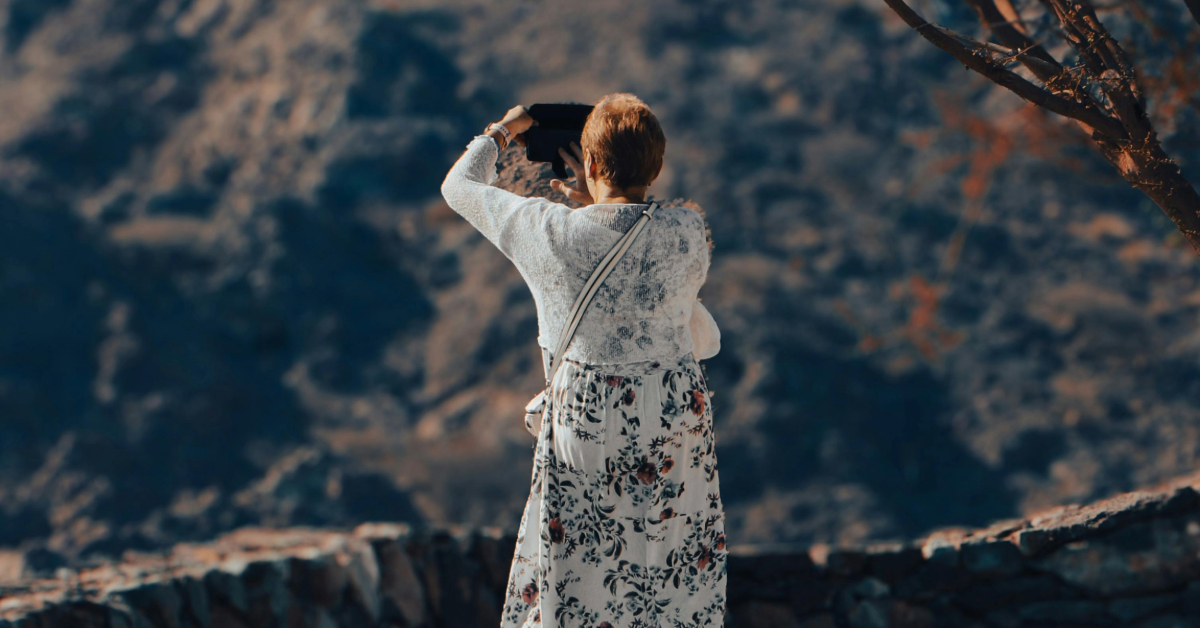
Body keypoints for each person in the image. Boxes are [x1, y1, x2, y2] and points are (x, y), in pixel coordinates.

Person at [441, 93, 726, 628]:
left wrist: (504, 130)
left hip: (592, 411)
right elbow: (637, 253)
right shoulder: (687, 232)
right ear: (656, 167)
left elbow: (458, 188)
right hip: (673, 410)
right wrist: (596, 201)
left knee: (583, 565)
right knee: (672, 563)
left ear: (591, 164)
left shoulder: (549, 231)